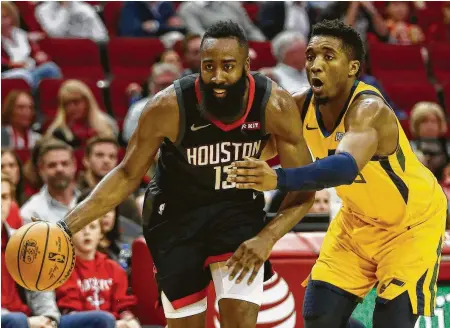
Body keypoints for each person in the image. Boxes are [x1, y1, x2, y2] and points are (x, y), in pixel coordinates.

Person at [55, 21, 315, 328]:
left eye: (228, 66)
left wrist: (267, 237)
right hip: (175, 214)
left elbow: (305, 189)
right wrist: (65, 226)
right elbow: (127, 174)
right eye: (209, 66)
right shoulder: (168, 106)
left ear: (246, 65)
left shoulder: (274, 104)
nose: (217, 77)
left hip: (236, 211)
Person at [227, 19, 447, 328]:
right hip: (357, 220)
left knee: (392, 323)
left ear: (353, 67)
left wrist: (277, 178)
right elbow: (251, 151)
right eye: (311, 55)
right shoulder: (299, 106)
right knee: (320, 318)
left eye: (328, 56)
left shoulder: (370, 110)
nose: (315, 65)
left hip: (410, 225)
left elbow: (344, 168)